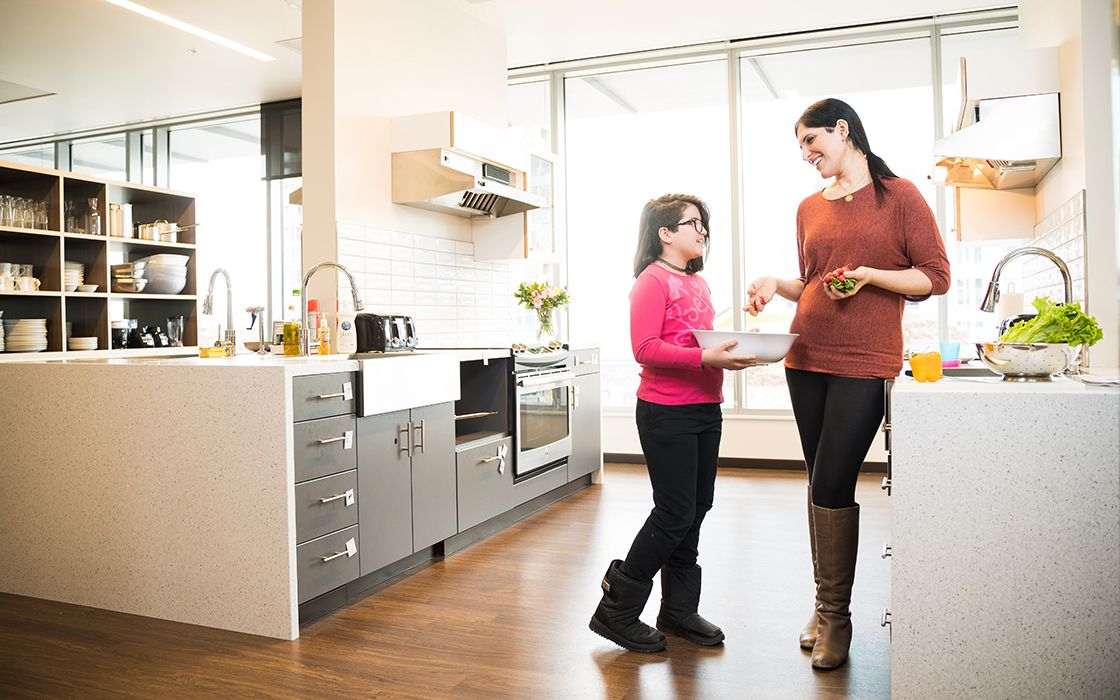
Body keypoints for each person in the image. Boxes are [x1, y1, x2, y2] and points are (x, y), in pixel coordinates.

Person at [745, 98, 950, 670]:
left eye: (812, 142)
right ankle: (824, 603)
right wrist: (773, 283)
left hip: (865, 358)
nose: (807, 155)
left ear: (843, 130)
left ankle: (838, 616)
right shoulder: (809, 206)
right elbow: (810, 280)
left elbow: (935, 277)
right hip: (803, 354)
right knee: (818, 483)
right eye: (801, 147)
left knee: (835, 481)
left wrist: (868, 277)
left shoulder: (900, 195)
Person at [589, 194, 756, 652]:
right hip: (667, 412)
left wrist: (737, 349)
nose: (702, 232)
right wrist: (706, 355)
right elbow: (645, 348)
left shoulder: (698, 285)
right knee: (674, 512)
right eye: (693, 224)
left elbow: (694, 342)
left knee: (697, 507)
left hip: (705, 408)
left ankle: (678, 610)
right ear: (665, 232)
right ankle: (616, 609)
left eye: (704, 225)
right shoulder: (651, 281)